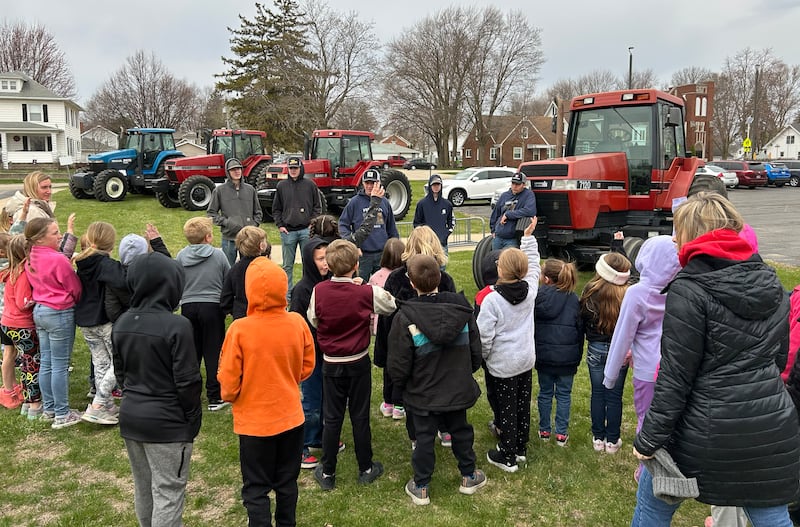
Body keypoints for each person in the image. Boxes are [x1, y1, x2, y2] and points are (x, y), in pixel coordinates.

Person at [631, 192, 800, 526]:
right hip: (767, 427)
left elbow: (676, 377)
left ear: (689, 234)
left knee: (651, 509)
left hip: (702, 429)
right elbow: (779, 359)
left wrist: (648, 439)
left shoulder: (689, 289)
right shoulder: (771, 282)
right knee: (772, 517)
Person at [218, 256, 315, 527]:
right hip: (291, 417)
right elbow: (306, 367)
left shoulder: (239, 330)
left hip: (254, 423)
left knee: (256, 486)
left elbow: (227, 382)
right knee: (287, 482)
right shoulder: (296, 322)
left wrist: (235, 394)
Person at [112, 251, 202, 527]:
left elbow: (121, 374)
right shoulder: (177, 326)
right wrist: (191, 419)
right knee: (168, 491)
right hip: (167, 422)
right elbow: (187, 381)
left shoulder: (122, 322)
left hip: (132, 417)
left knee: (145, 486)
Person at [387, 254, 487, 506]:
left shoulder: (456, 312)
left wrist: (404, 385)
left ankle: (422, 486)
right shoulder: (410, 317)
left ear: (412, 283)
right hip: (447, 389)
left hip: (425, 392)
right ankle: (467, 474)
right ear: (440, 278)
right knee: (460, 431)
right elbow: (477, 352)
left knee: (424, 437)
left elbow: (398, 364)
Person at [306, 239, 396, 491]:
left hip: (332, 362)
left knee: (332, 416)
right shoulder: (365, 292)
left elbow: (313, 318)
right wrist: (364, 287)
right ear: (356, 265)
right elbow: (390, 304)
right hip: (357, 361)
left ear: (330, 265)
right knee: (359, 415)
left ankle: (328, 472)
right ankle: (365, 467)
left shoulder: (319, 290)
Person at [374, 226, 455, 446]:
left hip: (409, 346)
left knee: (414, 391)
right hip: (435, 346)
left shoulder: (397, 279)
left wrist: (386, 353)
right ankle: (443, 429)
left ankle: (419, 435)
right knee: (440, 386)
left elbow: (387, 321)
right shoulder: (443, 278)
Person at [603, 236, 681, 446]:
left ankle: (646, 471)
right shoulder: (682, 290)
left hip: (647, 370)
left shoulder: (637, 293)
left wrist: (610, 376)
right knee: (672, 422)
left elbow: (622, 335)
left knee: (646, 421)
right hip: (677, 367)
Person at [477, 218, 540, 472]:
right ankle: (521, 446)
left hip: (502, 365)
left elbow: (484, 337)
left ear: (500, 271)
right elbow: (534, 266)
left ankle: (508, 454)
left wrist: (483, 357)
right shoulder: (531, 290)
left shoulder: (491, 300)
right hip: (525, 360)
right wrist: (528, 239)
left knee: (506, 409)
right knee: (522, 404)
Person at [25, 217, 82, 429]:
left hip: (40, 311)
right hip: (59, 312)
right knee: (59, 364)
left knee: (47, 362)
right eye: (54, 233)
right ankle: (62, 413)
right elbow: (74, 287)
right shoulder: (58, 259)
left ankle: (49, 408)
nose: (60, 236)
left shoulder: (31, 257)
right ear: (40, 238)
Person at [579, 238, 632, 454]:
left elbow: (582, 318)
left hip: (596, 348)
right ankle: (612, 440)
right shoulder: (628, 294)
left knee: (598, 393)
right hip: (619, 350)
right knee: (614, 395)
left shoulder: (590, 290)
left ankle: (598, 437)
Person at [74, 221, 128, 426]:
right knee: (119, 359)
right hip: (103, 320)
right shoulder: (106, 265)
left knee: (101, 363)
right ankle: (99, 403)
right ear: (111, 243)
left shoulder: (82, 262)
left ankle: (106, 405)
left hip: (86, 321)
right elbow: (123, 284)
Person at [175, 217, 230, 411]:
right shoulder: (219, 256)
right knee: (214, 351)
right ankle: (215, 396)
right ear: (208, 237)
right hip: (212, 308)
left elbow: (177, 280)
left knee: (192, 353)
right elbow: (227, 280)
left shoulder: (181, 256)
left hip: (188, 307)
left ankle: (190, 395)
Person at [290, 236, 332, 470]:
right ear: (309, 261)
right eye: (319, 259)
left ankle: (320, 437)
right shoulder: (302, 290)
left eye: (327, 257)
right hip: (311, 356)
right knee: (312, 402)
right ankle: (303, 445)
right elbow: (296, 324)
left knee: (327, 400)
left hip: (328, 353)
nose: (325, 263)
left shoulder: (330, 283)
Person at [534, 258, 583, 447]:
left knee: (545, 392)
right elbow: (580, 331)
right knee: (563, 394)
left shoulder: (538, 298)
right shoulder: (573, 299)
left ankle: (545, 430)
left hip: (545, 355)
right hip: (566, 357)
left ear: (546, 279)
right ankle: (560, 433)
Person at [1, 234, 40, 418]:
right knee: (31, 364)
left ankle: (26, 401)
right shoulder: (23, 274)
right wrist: (37, 298)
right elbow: (22, 302)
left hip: (8, 323)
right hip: (22, 325)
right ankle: (33, 405)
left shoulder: (12, 271)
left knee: (25, 362)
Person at [272, 156, 322, 293]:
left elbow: (317, 207)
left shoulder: (310, 185)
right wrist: (280, 225)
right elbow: (276, 209)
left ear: (301, 168)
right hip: (288, 232)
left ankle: (309, 292)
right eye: (291, 168)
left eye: (296, 168)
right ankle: (288, 295)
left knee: (309, 264)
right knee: (287, 265)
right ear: (288, 169)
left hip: (306, 231)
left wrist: (312, 223)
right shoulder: (281, 186)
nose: (293, 171)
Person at [338, 170, 399, 281]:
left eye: (373, 183)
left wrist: (395, 249)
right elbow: (343, 224)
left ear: (379, 183)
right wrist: (352, 243)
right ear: (363, 183)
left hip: (382, 254)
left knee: (383, 287)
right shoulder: (354, 202)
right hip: (363, 255)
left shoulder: (384, 202)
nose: (370, 186)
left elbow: (392, 229)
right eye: (367, 183)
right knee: (360, 285)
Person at [104, 224, 172, 324]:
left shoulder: (113, 274)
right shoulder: (154, 271)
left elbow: (112, 310)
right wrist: (157, 243)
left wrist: (125, 324)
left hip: (127, 327)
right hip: (157, 323)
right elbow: (168, 267)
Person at [207, 157, 262, 266]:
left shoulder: (250, 189)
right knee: (228, 268)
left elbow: (258, 212)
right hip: (229, 238)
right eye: (233, 170)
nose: (237, 172)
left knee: (248, 268)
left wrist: (253, 225)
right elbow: (211, 213)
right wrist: (227, 223)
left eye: (238, 169)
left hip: (248, 239)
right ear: (228, 172)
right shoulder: (219, 190)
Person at [220, 226, 270, 320]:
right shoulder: (266, 267)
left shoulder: (234, 269)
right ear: (261, 246)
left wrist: (233, 310)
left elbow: (225, 298)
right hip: (263, 314)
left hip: (241, 315)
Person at [489, 172, 536, 251]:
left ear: (523, 184)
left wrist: (508, 214)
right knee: (496, 261)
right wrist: (493, 230)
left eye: (518, 184)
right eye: (513, 183)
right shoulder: (504, 195)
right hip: (498, 237)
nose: (514, 186)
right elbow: (495, 213)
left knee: (510, 262)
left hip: (512, 239)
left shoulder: (528, 195)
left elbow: (530, 211)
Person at [413, 174, 454, 259]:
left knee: (441, 268)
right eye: (434, 185)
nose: (436, 187)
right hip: (426, 244)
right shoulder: (422, 204)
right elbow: (416, 223)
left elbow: (452, 221)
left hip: (442, 243)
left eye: (438, 184)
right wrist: (424, 237)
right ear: (430, 186)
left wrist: (446, 234)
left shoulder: (447, 204)